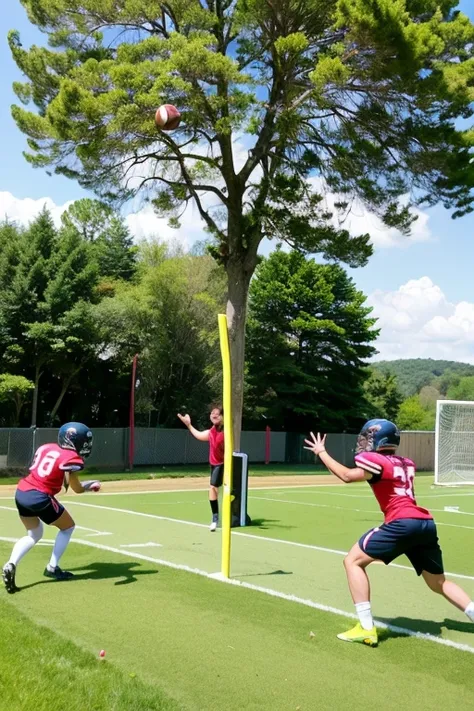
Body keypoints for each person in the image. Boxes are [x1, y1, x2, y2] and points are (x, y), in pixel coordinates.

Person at [304, 418, 474, 647]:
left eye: (367, 437)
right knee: (438, 583)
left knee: (352, 561)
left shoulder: (375, 461)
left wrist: (322, 452)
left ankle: (366, 629)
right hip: (424, 523)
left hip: (401, 522)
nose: (364, 442)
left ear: (378, 439)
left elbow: (346, 475)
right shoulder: (405, 462)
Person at [2, 422, 101, 593]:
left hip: (22, 491)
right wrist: (89, 485)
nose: (85, 446)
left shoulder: (47, 447)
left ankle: (11, 564)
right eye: (83, 442)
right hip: (39, 496)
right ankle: (52, 567)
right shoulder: (71, 458)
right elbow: (76, 488)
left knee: (34, 534)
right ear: (74, 441)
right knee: (68, 527)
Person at [178, 404, 224, 532]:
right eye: (212, 413)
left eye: (217, 413)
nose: (214, 415)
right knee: (213, 488)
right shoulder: (212, 431)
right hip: (215, 464)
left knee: (218, 488)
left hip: (225, 464)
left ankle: (227, 517)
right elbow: (199, 435)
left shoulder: (227, 431)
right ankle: (215, 518)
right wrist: (188, 424)